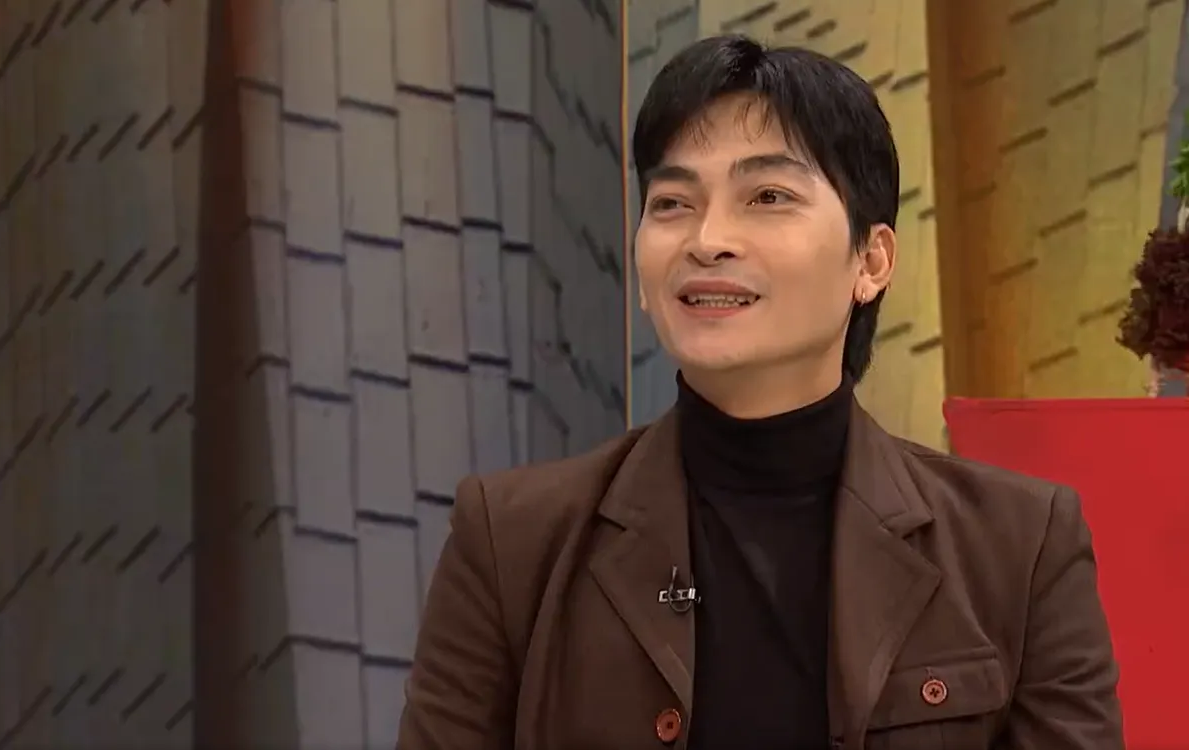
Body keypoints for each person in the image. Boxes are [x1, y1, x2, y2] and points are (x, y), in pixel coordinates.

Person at [397, 35, 1123, 750]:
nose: (707, 239)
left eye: (767, 196)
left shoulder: (1019, 548)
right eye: (672, 202)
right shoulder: (512, 542)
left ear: (871, 261)